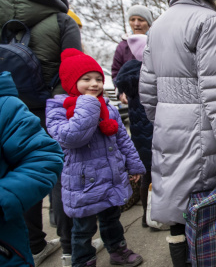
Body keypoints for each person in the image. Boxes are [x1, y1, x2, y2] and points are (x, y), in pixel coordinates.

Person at [139, 0, 216, 266]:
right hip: (201, 129)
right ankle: (207, 258)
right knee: (204, 203)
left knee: (177, 202)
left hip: (167, 126)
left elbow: (147, 88)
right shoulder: (210, 20)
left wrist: (161, 118)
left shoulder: (159, 24)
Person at [0, 0, 82, 265]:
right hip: (49, 107)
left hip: (6, 104)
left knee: (14, 172)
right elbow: (72, 69)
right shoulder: (61, 19)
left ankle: (33, 244)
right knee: (57, 171)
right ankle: (70, 247)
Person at [46, 48, 146, 267]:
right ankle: (83, 260)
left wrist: (134, 166)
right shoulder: (58, 109)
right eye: (86, 79)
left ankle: (118, 250)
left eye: (98, 79)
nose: (95, 84)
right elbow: (72, 137)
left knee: (112, 221)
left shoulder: (108, 108)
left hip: (110, 178)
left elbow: (123, 139)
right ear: (71, 82)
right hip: (83, 184)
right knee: (83, 229)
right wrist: (89, 104)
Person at [0, 71, 64, 267]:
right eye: (87, 79)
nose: (94, 84)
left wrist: (4, 197)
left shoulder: (6, 107)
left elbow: (44, 156)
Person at [115, 34, 167, 230]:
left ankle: (147, 216)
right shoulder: (151, 74)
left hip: (139, 135)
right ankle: (157, 218)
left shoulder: (128, 76)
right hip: (155, 130)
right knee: (160, 175)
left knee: (147, 176)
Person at [112, 5, 153, 105]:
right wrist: (121, 91)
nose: (136, 24)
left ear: (148, 23)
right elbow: (116, 72)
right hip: (132, 98)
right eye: (132, 19)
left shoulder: (155, 42)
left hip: (153, 95)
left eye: (141, 20)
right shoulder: (122, 46)